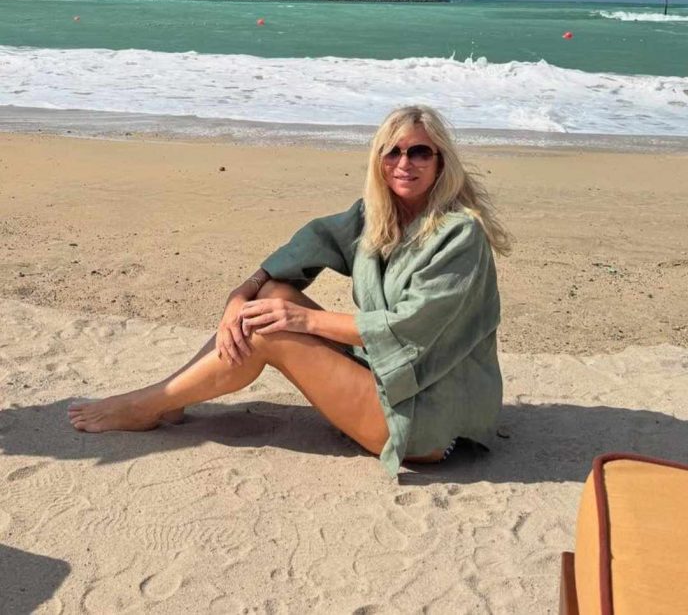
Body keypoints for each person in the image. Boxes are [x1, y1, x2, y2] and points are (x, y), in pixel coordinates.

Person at [68, 105, 510, 476]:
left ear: (440, 161)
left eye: (419, 152)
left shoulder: (460, 234)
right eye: (392, 151)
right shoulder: (376, 216)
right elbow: (307, 246)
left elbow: (407, 328)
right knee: (271, 297)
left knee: (271, 330)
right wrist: (241, 294)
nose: (404, 163)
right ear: (378, 160)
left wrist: (304, 319)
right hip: (386, 377)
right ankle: (167, 399)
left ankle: (149, 405)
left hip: (428, 418)